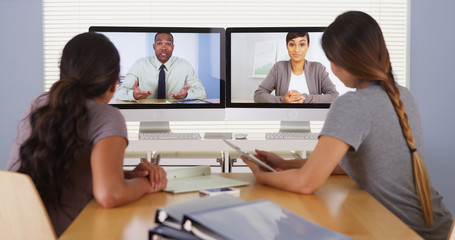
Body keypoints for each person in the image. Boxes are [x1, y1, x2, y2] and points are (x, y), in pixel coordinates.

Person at [243, 11, 453, 240]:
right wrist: (287, 163)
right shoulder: (403, 95)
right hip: (442, 227)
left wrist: (260, 175)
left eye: (332, 59)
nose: (331, 67)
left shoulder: (352, 104)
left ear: (346, 61)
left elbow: (306, 184)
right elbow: (355, 164)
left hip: (407, 233)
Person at [7, 32, 167, 237]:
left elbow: (69, 169)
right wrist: (147, 184)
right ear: (114, 84)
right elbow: (109, 195)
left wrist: (128, 174)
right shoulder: (108, 117)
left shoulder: (40, 103)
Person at [116, 32, 206, 101]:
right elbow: (120, 92)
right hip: (145, 113)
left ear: (173, 47)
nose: (164, 48)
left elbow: (201, 93)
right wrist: (133, 95)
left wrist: (186, 95)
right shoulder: (139, 64)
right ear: (154, 46)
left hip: (176, 114)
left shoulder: (185, 66)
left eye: (168, 44)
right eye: (159, 43)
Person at [254, 31, 339, 103]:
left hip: (312, 119)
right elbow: (258, 95)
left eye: (301, 44)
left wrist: (303, 98)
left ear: (308, 46)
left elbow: (334, 96)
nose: (296, 49)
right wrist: (283, 100)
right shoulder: (278, 68)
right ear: (287, 46)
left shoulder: (318, 68)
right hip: (284, 117)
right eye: (292, 44)